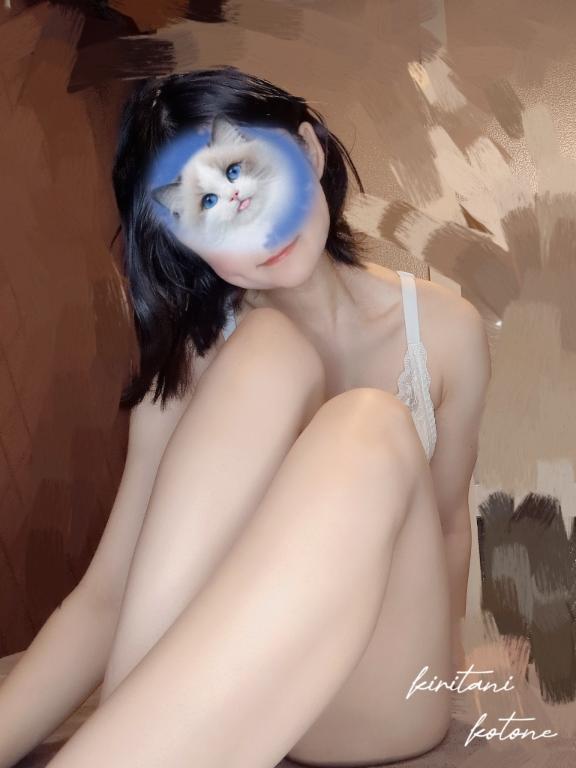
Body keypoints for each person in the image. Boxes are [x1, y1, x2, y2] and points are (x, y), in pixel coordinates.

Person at [0, 65, 490, 768]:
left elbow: (445, 526)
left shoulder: (445, 331)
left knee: (369, 423)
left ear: (309, 152)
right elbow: (111, 594)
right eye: (206, 205)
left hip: (382, 688)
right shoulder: (208, 360)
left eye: (244, 170)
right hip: (243, 683)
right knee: (267, 351)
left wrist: (447, 671)